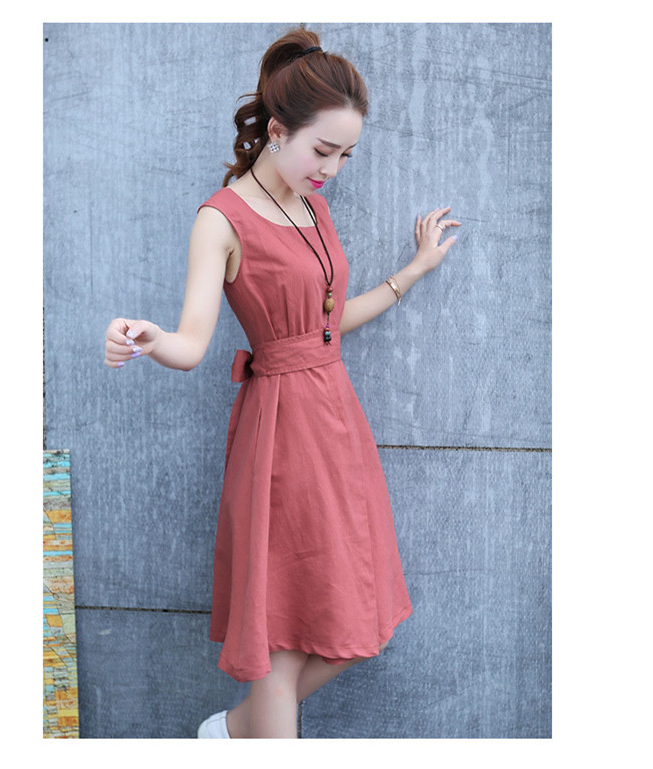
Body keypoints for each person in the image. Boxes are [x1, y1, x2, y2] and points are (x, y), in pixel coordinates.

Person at [103, 27, 460, 739]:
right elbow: (192, 342)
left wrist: (413, 271)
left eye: (345, 155)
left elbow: (325, 324)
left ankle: (235, 732)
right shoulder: (221, 218)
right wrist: (147, 338)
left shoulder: (312, 205)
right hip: (279, 432)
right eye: (323, 150)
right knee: (279, 626)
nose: (332, 168)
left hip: (336, 420)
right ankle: (248, 733)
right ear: (276, 130)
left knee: (356, 614)